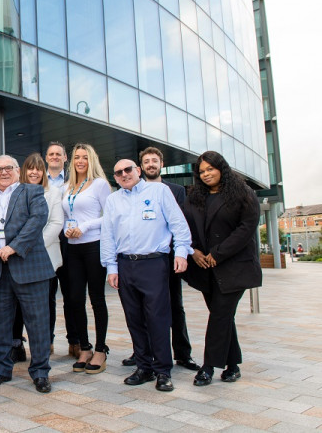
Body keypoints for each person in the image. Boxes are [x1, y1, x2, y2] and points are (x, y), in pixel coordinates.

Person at [101, 159, 192, 392]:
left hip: (154, 263)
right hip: (125, 264)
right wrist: (111, 267)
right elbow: (108, 236)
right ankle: (144, 367)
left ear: (138, 171)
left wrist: (181, 252)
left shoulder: (159, 191)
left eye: (127, 170)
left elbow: (178, 225)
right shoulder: (113, 200)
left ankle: (163, 371)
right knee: (134, 319)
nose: (123, 174)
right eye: (118, 172)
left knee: (158, 318)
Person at [0, 155, 56, 393]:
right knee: (1, 324)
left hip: (29, 267)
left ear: (17, 170)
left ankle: (40, 372)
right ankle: (1, 369)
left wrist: (14, 247)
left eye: (8, 168)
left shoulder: (32, 192)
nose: (3, 172)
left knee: (38, 323)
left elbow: (37, 220)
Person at [183, 151, 262, 386]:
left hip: (234, 267)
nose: (206, 174)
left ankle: (208, 367)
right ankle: (233, 365)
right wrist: (193, 251)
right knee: (223, 316)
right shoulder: (195, 196)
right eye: (202, 171)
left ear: (222, 168)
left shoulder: (243, 193)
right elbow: (185, 227)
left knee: (219, 314)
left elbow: (246, 228)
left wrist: (217, 253)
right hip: (205, 266)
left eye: (210, 169)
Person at [121, 147, 200, 372]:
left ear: (161, 164)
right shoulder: (131, 192)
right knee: (141, 309)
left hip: (168, 259)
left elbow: (180, 224)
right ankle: (142, 353)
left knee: (175, 306)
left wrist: (180, 254)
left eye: (154, 161)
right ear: (140, 167)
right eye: (146, 161)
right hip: (142, 262)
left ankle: (183, 353)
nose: (151, 164)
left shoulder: (174, 190)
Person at [63, 144, 111, 374]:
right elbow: (67, 216)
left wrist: (85, 226)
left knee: (96, 298)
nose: (80, 161)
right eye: (76, 157)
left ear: (92, 160)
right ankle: (85, 347)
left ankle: (101, 349)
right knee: (74, 299)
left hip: (94, 246)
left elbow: (109, 216)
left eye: (85, 157)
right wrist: (67, 229)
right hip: (73, 248)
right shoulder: (69, 186)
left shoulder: (100, 184)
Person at [11, 153, 64, 361]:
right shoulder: (15, 191)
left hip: (45, 255)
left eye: (39, 169)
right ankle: (16, 343)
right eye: (31, 168)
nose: (35, 172)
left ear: (44, 172)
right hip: (18, 256)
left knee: (45, 303)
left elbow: (56, 223)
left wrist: (33, 243)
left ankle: (45, 342)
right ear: (24, 171)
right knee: (16, 303)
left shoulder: (53, 192)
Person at [45, 141, 81, 359]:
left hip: (69, 243)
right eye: (51, 154)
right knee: (47, 296)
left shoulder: (74, 182)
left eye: (59, 154)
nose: (55, 157)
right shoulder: (40, 181)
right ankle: (46, 341)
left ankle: (75, 341)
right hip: (48, 243)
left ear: (65, 158)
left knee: (72, 295)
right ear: (46, 158)